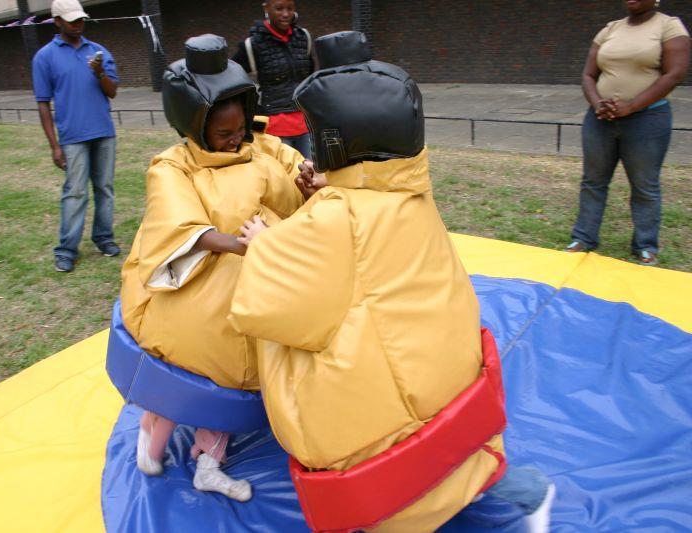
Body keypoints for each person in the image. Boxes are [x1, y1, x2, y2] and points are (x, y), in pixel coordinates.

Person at [230, 31, 554, 532]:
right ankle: (530, 492)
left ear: (335, 140)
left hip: (390, 396)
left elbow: (276, 308)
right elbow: (362, 233)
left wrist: (263, 241)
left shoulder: (336, 220)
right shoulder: (408, 190)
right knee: (462, 452)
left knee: (388, 463)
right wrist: (327, 189)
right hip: (448, 365)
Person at [119, 34, 307, 502]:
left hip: (263, 278)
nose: (235, 139)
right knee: (188, 364)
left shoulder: (263, 147)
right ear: (195, 126)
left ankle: (209, 460)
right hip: (201, 281)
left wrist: (309, 175)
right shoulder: (174, 167)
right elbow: (184, 229)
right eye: (224, 134)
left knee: (237, 382)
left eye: (239, 128)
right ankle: (153, 434)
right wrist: (244, 246)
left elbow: (299, 170)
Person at [566, 0, 690, 266]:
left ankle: (645, 245)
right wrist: (598, 103)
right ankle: (583, 238)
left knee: (645, 185)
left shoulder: (669, 26)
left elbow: (674, 74)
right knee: (593, 182)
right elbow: (588, 75)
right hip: (601, 118)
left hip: (647, 119)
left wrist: (631, 106)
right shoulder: (611, 29)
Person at [32, 0, 121, 273]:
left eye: (81, 19)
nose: (78, 24)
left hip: (104, 132)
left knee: (104, 189)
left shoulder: (99, 51)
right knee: (75, 193)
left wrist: (99, 72)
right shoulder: (44, 57)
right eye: (72, 20)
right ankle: (67, 250)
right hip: (72, 137)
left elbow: (112, 91)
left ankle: (104, 238)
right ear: (57, 21)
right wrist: (54, 146)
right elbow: (43, 104)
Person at [232, 0, 314, 159]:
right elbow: (231, 80)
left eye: (290, 8)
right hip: (274, 129)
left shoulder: (304, 37)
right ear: (266, 8)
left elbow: (310, 78)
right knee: (284, 179)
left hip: (306, 125)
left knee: (312, 177)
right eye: (279, 8)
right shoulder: (252, 45)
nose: (285, 14)